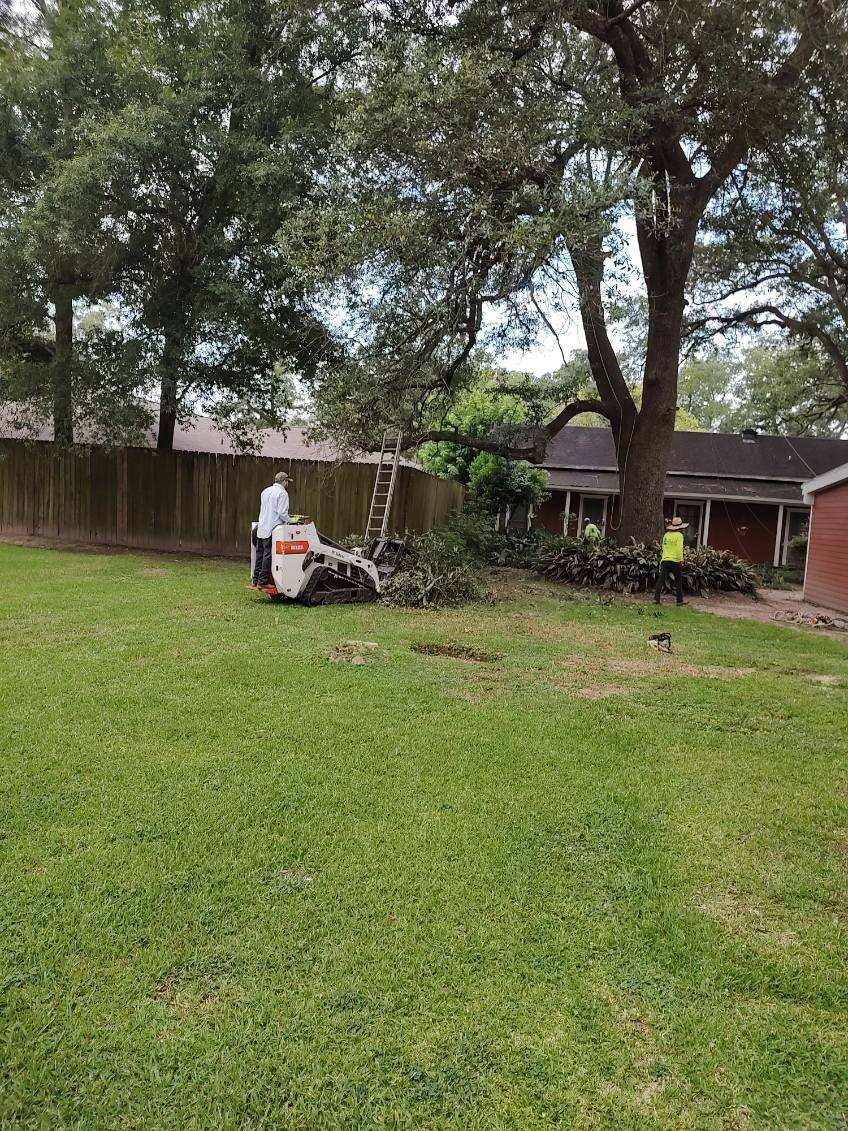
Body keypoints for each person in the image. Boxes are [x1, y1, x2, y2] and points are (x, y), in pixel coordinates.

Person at [251, 471, 292, 588]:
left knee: (260, 553)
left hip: (262, 526)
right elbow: (282, 513)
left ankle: (255, 579)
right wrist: (290, 520)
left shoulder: (265, 491)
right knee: (268, 554)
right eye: (287, 482)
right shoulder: (283, 494)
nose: (287, 484)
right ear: (284, 481)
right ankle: (263, 582)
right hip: (273, 527)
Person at [654, 515, 687, 605]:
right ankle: (679, 601)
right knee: (678, 581)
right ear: (680, 527)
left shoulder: (666, 535)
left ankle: (656, 599)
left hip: (665, 560)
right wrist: (681, 560)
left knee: (661, 579)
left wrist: (663, 559)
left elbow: (664, 547)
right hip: (675, 561)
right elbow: (679, 549)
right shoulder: (679, 536)